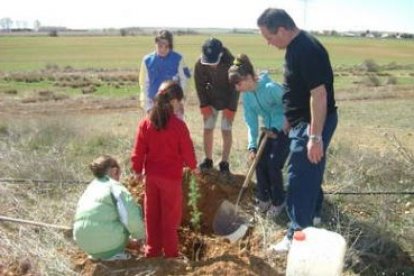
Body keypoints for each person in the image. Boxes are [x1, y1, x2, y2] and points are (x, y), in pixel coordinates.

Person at [257, 8, 338, 252]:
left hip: (312, 125)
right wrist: (290, 118)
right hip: (301, 122)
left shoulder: (306, 50)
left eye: (269, 38)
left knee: (299, 178)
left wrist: (314, 136)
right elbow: (299, 88)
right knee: (307, 174)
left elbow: (319, 95)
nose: (269, 44)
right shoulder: (295, 47)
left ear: (281, 30)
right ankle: (310, 223)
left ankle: (296, 237)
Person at [131, 80, 198, 258]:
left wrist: (137, 170)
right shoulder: (178, 126)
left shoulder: (145, 123)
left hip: (151, 179)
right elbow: (188, 151)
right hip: (171, 180)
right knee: (170, 218)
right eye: (180, 102)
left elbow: (138, 151)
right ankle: (171, 253)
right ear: (174, 101)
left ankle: (152, 250)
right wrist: (194, 167)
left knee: (151, 215)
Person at [228, 54, 290, 217]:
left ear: (248, 77)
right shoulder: (247, 97)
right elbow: (252, 123)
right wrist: (252, 146)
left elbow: (290, 102)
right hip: (267, 131)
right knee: (259, 162)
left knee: (273, 164)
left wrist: (287, 120)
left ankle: (278, 201)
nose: (236, 88)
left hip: (284, 130)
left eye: (238, 83)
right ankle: (264, 199)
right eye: (234, 85)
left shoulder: (270, 88)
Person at [73, 155, 145, 261]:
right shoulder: (114, 187)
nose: (119, 178)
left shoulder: (90, 188)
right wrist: (141, 236)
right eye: (119, 174)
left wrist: (129, 241)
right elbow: (130, 216)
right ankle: (114, 255)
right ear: (114, 171)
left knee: (107, 219)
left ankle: (99, 254)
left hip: (83, 242)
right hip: (106, 242)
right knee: (129, 213)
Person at [194, 37, 239, 178]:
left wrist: (231, 108)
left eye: (214, 61)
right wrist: (204, 104)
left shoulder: (232, 63)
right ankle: (208, 160)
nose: (211, 65)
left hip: (227, 100)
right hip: (210, 100)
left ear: (221, 54)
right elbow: (200, 86)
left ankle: (224, 163)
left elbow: (236, 88)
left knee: (226, 130)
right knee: (208, 128)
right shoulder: (199, 64)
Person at [139, 30, 191, 119]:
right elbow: (144, 84)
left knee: (175, 131)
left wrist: (180, 102)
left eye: (166, 46)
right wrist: (147, 106)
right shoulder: (147, 61)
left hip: (174, 105)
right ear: (155, 44)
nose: (162, 49)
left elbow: (184, 80)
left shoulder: (178, 59)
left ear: (170, 46)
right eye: (160, 46)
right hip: (153, 105)